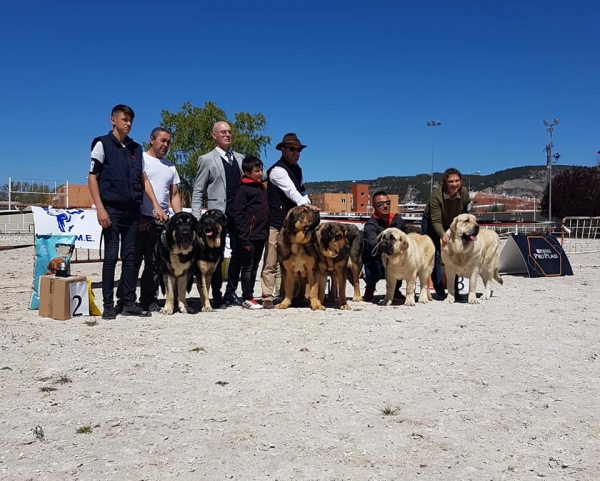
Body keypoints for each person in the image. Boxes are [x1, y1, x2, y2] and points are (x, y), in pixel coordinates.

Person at [88, 104, 167, 320]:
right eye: (124, 119)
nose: (128, 124)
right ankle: (108, 305)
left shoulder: (135, 148)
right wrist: (100, 209)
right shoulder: (102, 144)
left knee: (131, 257)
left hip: (132, 210)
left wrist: (156, 205)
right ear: (113, 120)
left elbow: (143, 179)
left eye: (131, 120)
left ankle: (129, 303)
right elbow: (92, 178)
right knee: (111, 256)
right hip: (111, 210)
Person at [118, 127, 182, 312]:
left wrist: (179, 219)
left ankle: (149, 300)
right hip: (139, 218)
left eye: (169, 142)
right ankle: (124, 300)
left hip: (160, 222)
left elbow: (175, 195)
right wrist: (137, 215)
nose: (165, 145)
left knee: (154, 263)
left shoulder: (171, 167)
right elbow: (133, 188)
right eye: (162, 140)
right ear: (151, 140)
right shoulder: (140, 159)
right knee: (133, 261)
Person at [191, 121, 244, 308]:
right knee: (216, 255)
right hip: (216, 216)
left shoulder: (240, 158)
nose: (227, 135)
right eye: (223, 132)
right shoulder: (206, 159)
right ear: (214, 136)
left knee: (238, 253)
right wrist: (196, 217)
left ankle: (231, 292)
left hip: (237, 213)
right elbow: (198, 190)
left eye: (229, 132)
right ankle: (216, 295)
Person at [261, 133, 315, 309]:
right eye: (292, 149)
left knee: (293, 260)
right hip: (276, 222)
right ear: (282, 150)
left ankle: (288, 294)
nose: (296, 152)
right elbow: (291, 191)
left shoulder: (298, 170)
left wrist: (309, 205)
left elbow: (302, 190)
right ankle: (267, 296)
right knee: (271, 260)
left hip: (295, 226)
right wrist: (307, 207)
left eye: (298, 149)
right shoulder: (277, 171)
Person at [421, 167, 471, 299]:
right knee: (436, 255)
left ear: (461, 181)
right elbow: (436, 221)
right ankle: (439, 289)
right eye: (451, 181)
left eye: (457, 181)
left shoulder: (465, 194)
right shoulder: (436, 196)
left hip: (452, 223)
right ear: (445, 182)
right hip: (431, 223)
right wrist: (443, 235)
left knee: (454, 254)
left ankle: (454, 290)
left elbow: (465, 215)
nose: (454, 184)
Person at [231, 156, 269, 309]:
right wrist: (244, 236)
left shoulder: (261, 188)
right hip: (248, 236)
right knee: (247, 266)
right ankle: (247, 297)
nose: (260, 173)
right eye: (256, 171)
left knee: (255, 266)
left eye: (261, 170)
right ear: (247, 173)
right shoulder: (243, 189)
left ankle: (251, 295)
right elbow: (237, 214)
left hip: (261, 234)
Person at [362, 190, 407, 303]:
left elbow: (407, 236)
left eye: (387, 203)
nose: (385, 206)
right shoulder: (370, 224)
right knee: (372, 266)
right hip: (377, 258)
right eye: (380, 204)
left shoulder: (398, 220)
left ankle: (396, 290)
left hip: (396, 257)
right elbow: (372, 244)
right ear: (374, 206)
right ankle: (370, 288)